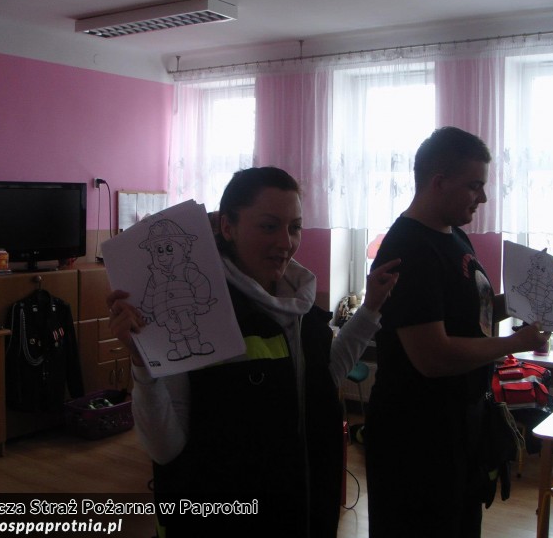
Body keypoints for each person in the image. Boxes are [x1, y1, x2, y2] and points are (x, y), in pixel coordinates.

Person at [107, 166, 400, 538]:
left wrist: (371, 308)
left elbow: (325, 378)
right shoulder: (203, 315)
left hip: (303, 512)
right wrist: (142, 363)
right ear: (227, 227)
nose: (285, 242)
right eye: (268, 226)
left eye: (294, 227)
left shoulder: (301, 308)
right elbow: (165, 448)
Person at [365, 127, 549, 538]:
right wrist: (516, 343)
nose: (482, 198)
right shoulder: (410, 248)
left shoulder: (455, 236)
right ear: (439, 182)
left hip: (458, 427)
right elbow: (433, 357)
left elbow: (471, 313)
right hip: (416, 438)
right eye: (474, 186)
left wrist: (522, 300)